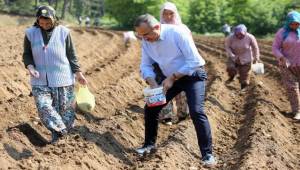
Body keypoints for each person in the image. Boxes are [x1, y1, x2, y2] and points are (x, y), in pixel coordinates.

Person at [134, 14, 216, 166]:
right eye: (140, 35)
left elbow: (195, 61)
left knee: (196, 111)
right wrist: (152, 83)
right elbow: (145, 65)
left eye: (146, 35)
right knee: (151, 108)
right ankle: (149, 145)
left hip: (192, 75)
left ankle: (207, 154)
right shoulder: (146, 42)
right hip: (169, 78)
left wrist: (173, 77)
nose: (144, 38)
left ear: (157, 27)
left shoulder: (177, 33)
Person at [22, 5, 88, 143]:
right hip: (39, 80)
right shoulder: (30, 33)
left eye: (48, 22)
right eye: (42, 23)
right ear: (37, 20)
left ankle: (60, 143)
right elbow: (27, 54)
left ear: (54, 19)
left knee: (65, 113)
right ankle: (63, 132)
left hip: (63, 79)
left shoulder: (63, 32)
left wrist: (78, 73)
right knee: (44, 106)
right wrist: (30, 66)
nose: (45, 25)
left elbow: (71, 55)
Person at [156, 2, 190, 125]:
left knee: (182, 90)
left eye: (171, 13)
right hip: (163, 64)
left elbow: (190, 47)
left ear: (175, 14)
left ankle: (183, 115)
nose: (168, 16)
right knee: (164, 89)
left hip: (180, 65)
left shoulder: (183, 28)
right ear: (162, 14)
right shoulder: (157, 28)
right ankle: (167, 116)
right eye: (165, 14)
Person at [272, 11, 300, 120]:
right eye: (292, 23)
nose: (295, 25)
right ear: (288, 22)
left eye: (297, 23)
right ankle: (297, 111)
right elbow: (275, 47)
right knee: (292, 88)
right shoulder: (282, 32)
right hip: (287, 65)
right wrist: (281, 57)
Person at [225, 24, 260, 90]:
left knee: (245, 75)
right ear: (235, 33)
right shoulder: (230, 38)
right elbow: (227, 47)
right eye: (237, 34)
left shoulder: (250, 37)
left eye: (241, 34)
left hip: (246, 57)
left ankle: (243, 88)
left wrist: (256, 57)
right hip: (233, 56)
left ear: (245, 32)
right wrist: (231, 54)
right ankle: (232, 76)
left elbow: (255, 48)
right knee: (230, 68)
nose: (239, 36)